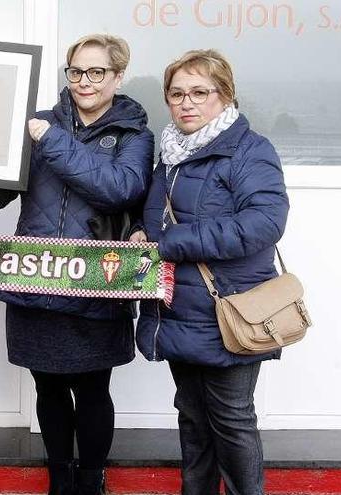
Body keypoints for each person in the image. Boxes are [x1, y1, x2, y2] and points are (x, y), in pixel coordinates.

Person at [0, 34, 154, 495]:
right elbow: (13, 186)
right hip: (33, 279)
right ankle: (59, 481)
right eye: (75, 72)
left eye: (96, 72)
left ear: (117, 76)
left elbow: (119, 189)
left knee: (91, 391)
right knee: (47, 389)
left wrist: (50, 140)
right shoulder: (39, 124)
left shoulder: (134, 136)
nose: (84, 82)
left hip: (94, 282)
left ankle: (91, 482)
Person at [131, 49, 289, 495]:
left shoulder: (249, 150)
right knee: (193, 417)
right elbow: (158, 219)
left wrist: (171, 244)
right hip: (178, 310)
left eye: (200, 92)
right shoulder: (170, 152)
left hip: (229, 312)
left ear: (224, 96)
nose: (186, 102)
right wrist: (145, 233)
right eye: (177, 93)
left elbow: (264, 223)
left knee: (232, 419)